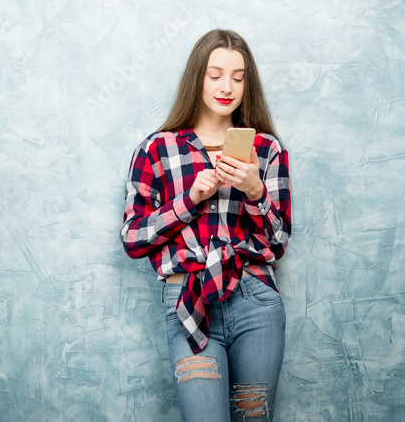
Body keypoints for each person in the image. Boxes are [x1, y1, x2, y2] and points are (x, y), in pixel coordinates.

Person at [120, 30, 292, 421]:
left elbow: (279, 241)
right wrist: (189, 200)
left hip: (256, 302)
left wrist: (254, 191)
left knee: (255, 418)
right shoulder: (157, 149)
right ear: (197, 77)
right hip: (188, 299)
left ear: (248, 84)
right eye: (215, 74)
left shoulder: (267, 150)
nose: (227, 86)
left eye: (238, 76)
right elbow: (132, 238)